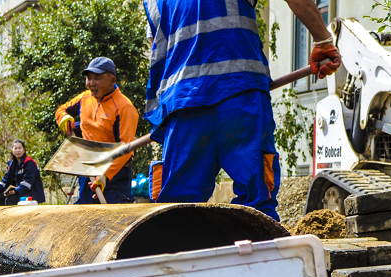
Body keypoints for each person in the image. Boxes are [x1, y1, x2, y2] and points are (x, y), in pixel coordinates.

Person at [143, 0, 342, 220]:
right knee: (256, 207)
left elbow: (157, 51)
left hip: (185, 103)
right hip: (240, 95)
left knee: (176, 213)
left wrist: (161, 115)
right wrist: (323, 40)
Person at [54, 58, 139, 205]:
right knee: (87, 215)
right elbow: (62, 109)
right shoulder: (84, 98)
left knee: (114, 218)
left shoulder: (125, 107)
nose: (91, 83)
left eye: (97, 78)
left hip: (114, 173)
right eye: (89, 78)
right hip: (87, 168)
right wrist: (64, 117)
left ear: (112, 80)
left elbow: (126, 148)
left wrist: (105, 175)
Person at [0, 140, 45, 206]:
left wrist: (16, 191)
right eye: (15, 148)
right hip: (18, 192)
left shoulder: (30, 163)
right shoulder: (12, 165)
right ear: (12, 150)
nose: (18, 150)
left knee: (10, 199)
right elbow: (5, 181)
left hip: (30, 193)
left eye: (19, 148)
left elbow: (27, 182)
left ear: (24, 150)